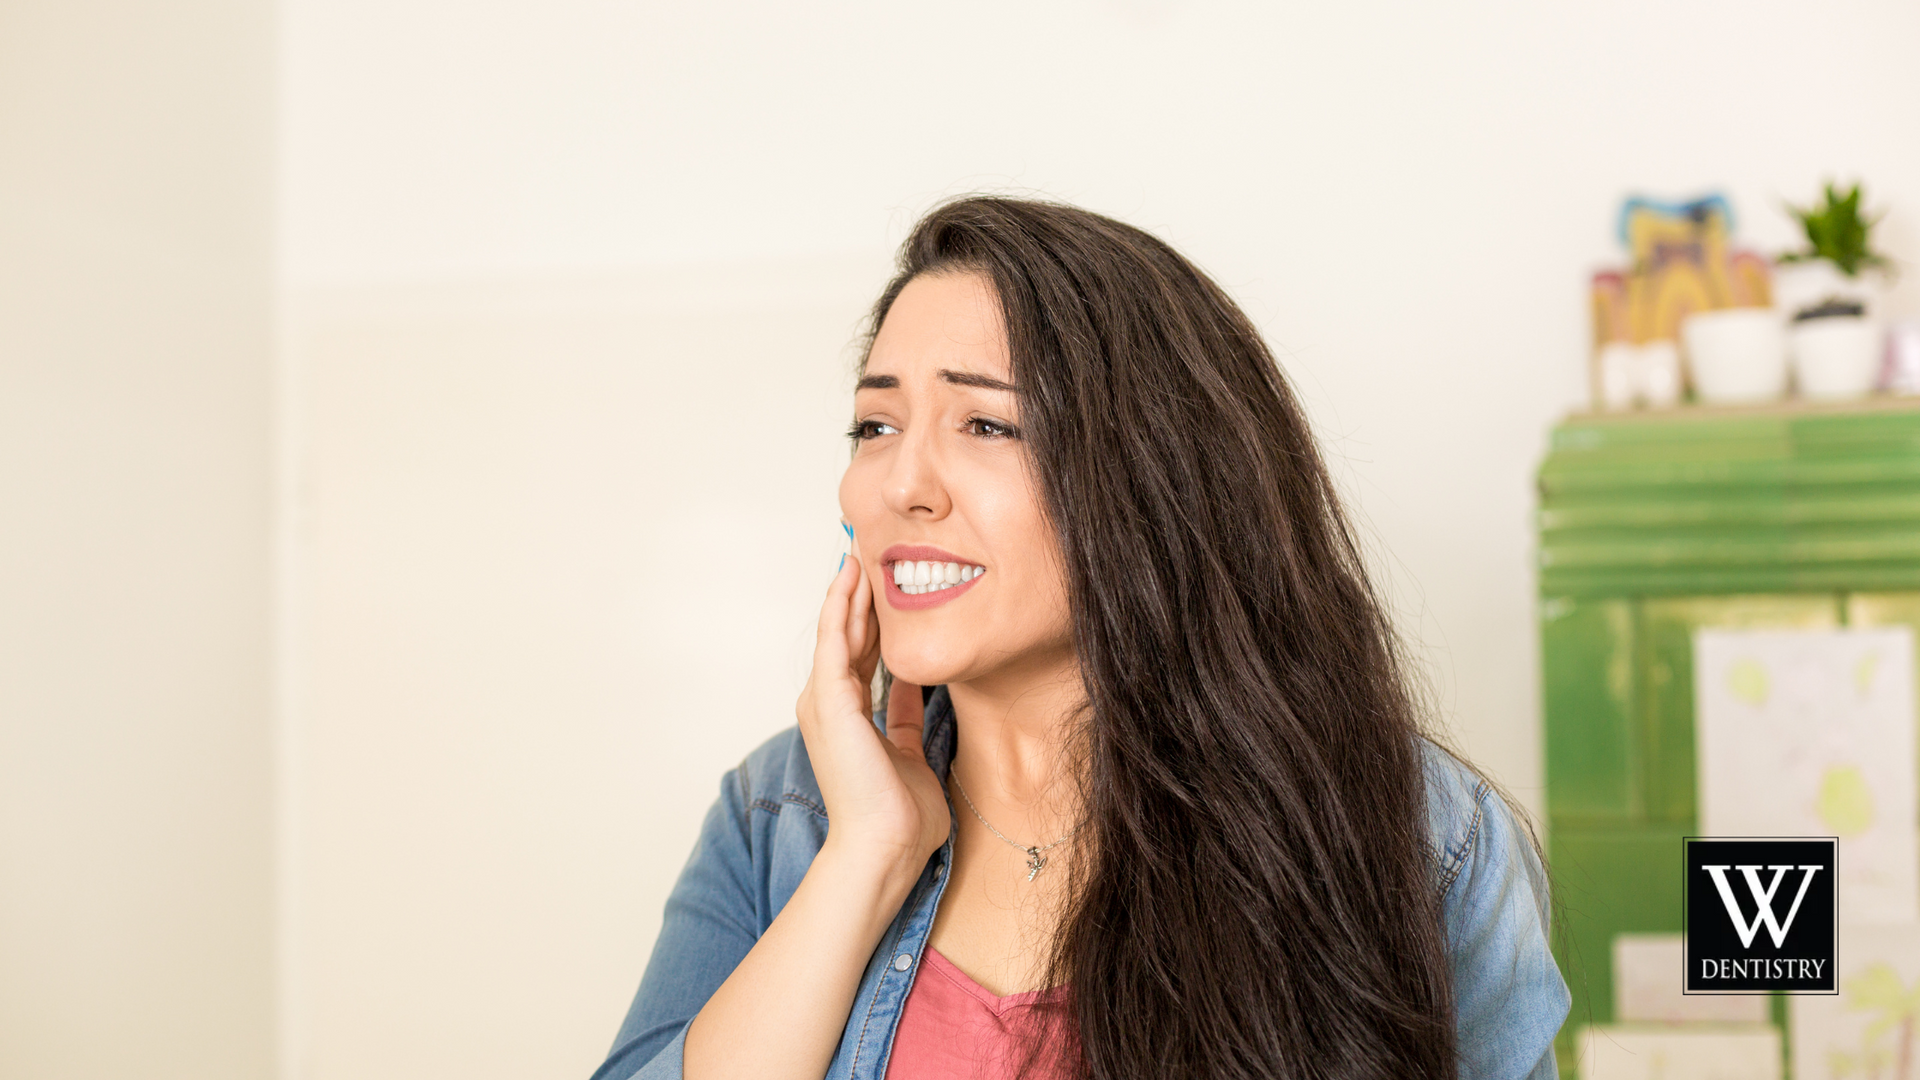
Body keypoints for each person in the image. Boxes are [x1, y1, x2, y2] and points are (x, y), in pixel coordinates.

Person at [591, 196, 1569, 1080]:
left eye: (984, 425)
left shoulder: (1427, 837)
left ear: (1154, 476)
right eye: (875, 426)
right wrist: (867, 857)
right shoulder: (783, 818)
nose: (901, 485)